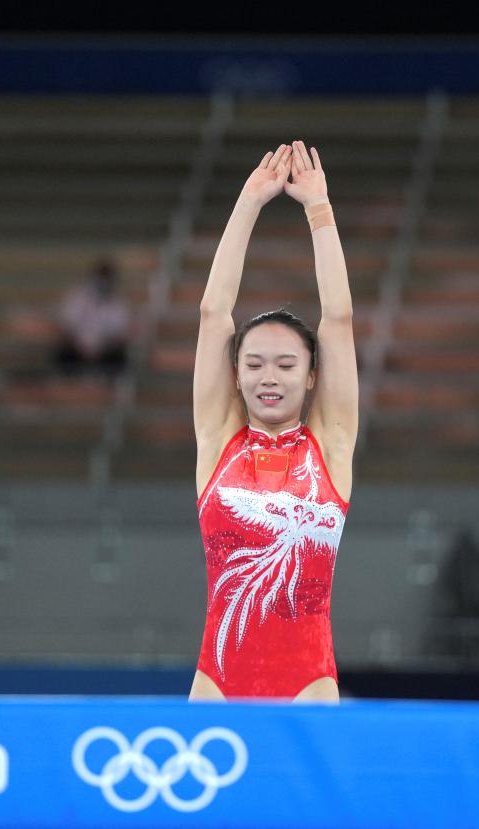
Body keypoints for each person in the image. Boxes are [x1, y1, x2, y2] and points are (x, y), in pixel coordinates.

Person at [190, 142, 358, 703]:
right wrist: (249, 202)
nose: (270, 376)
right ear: (235, 374)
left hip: (308, 681)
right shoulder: (217, 441)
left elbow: (337, 320)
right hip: (218, 681)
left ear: (312, 376)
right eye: (254, 363)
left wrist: (319, 213)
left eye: (287, 364)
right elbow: (214, 315)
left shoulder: (330, 446)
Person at [53, 258, 131, 378]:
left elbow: (119, 335)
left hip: (105, 351)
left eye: (106, 279)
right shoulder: (76, 297)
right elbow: (65, 327)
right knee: (62, 353)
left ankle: (113, 390)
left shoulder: (118, 304)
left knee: (119, 358)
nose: (103, 283)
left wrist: (101, 348)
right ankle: (65, 387)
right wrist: (80, 346)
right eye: (100, 278)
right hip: (76, 348)